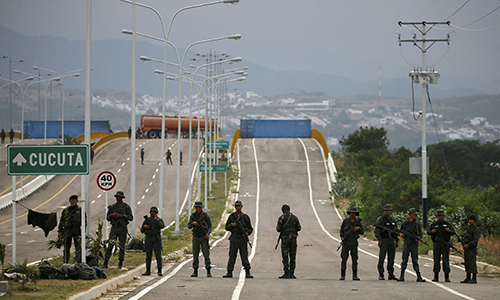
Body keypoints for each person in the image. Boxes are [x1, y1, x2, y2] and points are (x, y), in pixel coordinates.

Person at [102, 191, 133, 269]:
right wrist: (112, 215)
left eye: (119, 197)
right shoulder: (113, 207)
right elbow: (107, 218)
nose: (117, 198)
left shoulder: (126, 207)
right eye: (117, 197)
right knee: (110, 245)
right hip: (115, 228)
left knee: (121, 246)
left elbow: (131, 217)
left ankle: (120, 262)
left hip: (122, 228)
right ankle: (106, 262)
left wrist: (122, 216)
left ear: (122, 198)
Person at [223, 200, 254, 279]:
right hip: (234, 239)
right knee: (232, 256)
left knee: (244, 256)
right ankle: (229, 272)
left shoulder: (245, 217)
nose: (237, 207)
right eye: (236, 206)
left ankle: (247, 271)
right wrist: (232, 225)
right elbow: (226, 227)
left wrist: (247, 233)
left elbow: (250, 229)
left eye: (239, 206)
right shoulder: (232, 216)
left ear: (241, 206)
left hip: (242, 239)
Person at [397, 208, 425, 282]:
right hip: (407, 243)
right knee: (404, 259)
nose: (416, 216)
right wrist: (401, 234)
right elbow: (400, 231)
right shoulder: (405, 223)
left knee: (415, 260)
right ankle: (401, 276)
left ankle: (419, 276)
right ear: (410, 214)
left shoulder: (417, 224)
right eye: (414, 214)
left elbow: (421, 234)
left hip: (414, 244)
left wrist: (418, 238)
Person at [427, 209, 455, 282]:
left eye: (441, 215)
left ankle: (447, 276)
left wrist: (449, 230)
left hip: (445, 243)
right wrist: (432, 231)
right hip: (437, 243)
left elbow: (453, 232)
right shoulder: (434, 223)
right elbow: (428, 232)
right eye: (439, 216)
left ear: (443, 216)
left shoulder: (447, 223)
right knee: (436, 260)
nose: (440, 217)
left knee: (445, 260)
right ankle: (436, 276)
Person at [188, 201, 212, 277]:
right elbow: (189, 226)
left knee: (206, 254)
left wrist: (208, 233)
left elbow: (210, 226)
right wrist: (193, 223)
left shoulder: (205, 216)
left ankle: (208, 270)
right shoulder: (193, 216)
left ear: (201, 208)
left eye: (198, 207)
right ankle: (195, 271)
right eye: (196, 207)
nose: (197, 208)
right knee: (195, 254)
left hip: (203, 237)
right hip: (196, 236)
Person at [276, 204, 301, 279]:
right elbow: (299, 228)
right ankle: (292, 273)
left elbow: (278, 229)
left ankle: (286, 272)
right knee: (293, 256)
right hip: (293, 239)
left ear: (283, 211)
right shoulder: (295, 218)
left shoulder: (282, 218)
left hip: (285, 239)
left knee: (285, 255)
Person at [374, 204, 399, 280]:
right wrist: (379, 239)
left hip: (391, 241)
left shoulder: (393, 220)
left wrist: (396, 240)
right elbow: (377, 230)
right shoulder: (381, 219)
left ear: (391, 211)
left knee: (391, 258)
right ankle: (381, 274)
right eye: (386, 210)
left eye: (389, 210)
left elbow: (395, 231)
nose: (387, 212)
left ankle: (391, 274)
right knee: (382, 257)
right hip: (384, 240)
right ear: (384, 211)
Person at [58, 195, 85, 263]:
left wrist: (84, 230)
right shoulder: (66, 210)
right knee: (66, 248)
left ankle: (79, 262)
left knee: (78, 247)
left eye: (74, 200)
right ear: (70, 201)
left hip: (76, 230)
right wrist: (60, 231)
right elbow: (61, 221)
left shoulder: (80, 210)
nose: (73, 202)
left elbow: (85, 220)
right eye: (72, 200)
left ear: (77, 201)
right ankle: (65, 262)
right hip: (67, 231)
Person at [339, 207, 364, 281]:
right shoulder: (345, 221)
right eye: (351, 213)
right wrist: (342, 237)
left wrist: (358, 229)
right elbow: (341, 231)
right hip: (346, 243)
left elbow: (362, 232)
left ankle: (355, 275)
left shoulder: (358, 222)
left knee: (354, 259)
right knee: (344, 259)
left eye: (354, 213)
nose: (352, 214)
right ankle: (342, 275)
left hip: (353, 243)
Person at [141, 206, 165, 276]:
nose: (153, 214)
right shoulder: (147, 220)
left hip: (156, 240)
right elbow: (142, 230)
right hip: (149, 239)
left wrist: (156, 220)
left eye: (154, 213)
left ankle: (159, 271)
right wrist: (145, 227)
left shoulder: (159, 220)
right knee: (148, 256)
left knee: (158, 256)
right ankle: (148, 270)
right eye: (152, 212)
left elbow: (162, 226)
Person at [460, 214, 481, 284]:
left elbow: (475, 240)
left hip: (471, 249)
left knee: (472, 263)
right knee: (467, 263)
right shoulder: (469, 229)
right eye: (469, 220)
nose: (469, 221)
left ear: (474, 221)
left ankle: (474, 278)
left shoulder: (476, 230)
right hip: (466, 249)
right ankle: (468, 277)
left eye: (471, 220)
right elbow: (466, 237)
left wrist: (468, 245)